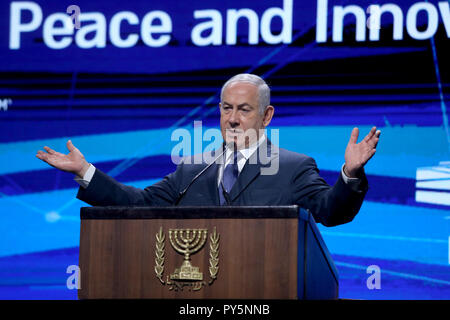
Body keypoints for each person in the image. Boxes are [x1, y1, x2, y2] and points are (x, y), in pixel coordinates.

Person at [36, 74, 380, 227]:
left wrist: (350, 174)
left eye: (243, 110)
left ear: (266, 115)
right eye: (226, 108)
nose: (232, 119)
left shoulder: (293, 166)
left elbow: (331, 212)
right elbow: (140, 205)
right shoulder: (193, 168)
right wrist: (85, 172)